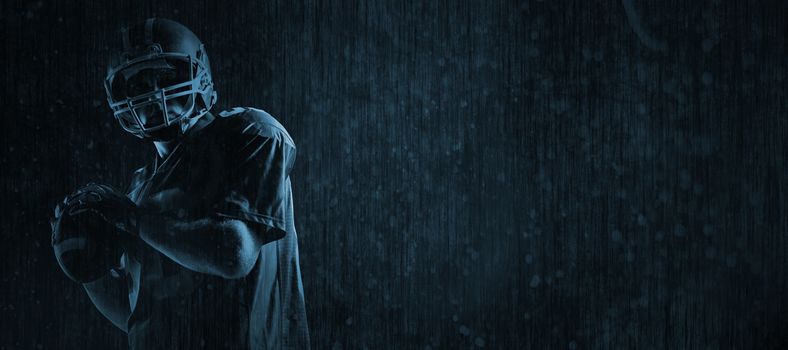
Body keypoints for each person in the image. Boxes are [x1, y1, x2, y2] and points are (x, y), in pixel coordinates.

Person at [50, 18, 309, 349]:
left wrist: (132, 219)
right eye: (138, 83)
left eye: (166, 75)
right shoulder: (138, 188)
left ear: (199, 74)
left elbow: (233, 255)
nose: (153, 92)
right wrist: (85, 263)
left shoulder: (250, 132)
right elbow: (136, 318)